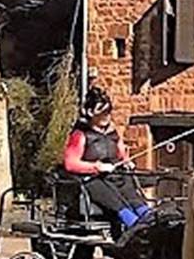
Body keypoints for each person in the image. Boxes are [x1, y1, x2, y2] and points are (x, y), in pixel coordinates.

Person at [62, 87, 151, 229]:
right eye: (102, 112)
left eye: (108, 112)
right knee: (108, 192)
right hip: (92, 180)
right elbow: (70, 163)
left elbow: (121, 154)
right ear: (90, 113)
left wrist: (127, 162)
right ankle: (129, 220)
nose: (106, 116)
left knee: (128, 184)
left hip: (115, 176)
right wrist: (97, 167)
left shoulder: (113, 134)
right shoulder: (81, 135)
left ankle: (145, 214)